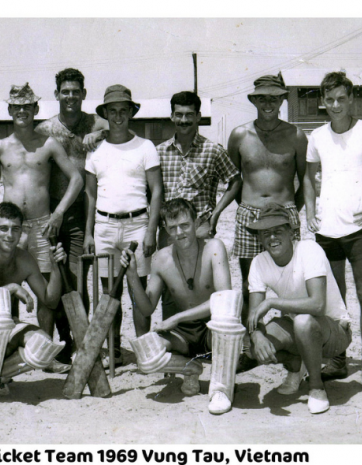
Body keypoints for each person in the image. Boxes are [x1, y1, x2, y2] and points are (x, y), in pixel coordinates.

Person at [0, 83, 83, 373]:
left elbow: (77, 179)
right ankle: (4, 350)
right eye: (16, 107)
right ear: (9, 110)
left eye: (27, 107)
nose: (22, 112)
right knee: (2, 287)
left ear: (36, 109)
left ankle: (44, 352)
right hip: (10, 228)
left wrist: (58, 213)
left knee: (46, 292)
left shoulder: (47, 143)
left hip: (41, 226)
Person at [303, 71, 362, 391]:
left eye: (342, 98)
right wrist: (309, 210)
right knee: (334, 298)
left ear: (351, 98)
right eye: (329, 99)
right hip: (326, 230)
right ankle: (339, 361)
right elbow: (307, 174)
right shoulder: (316, 137)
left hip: (358, 229)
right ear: (322, 102)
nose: (336, 105)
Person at [227, 72, 307, 371]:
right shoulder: (239, 135)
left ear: (283, 100)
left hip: (285, 213)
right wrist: (249, 209)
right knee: (252, 285)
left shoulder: (296, 136)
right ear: (254, 100)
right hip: (249, 214)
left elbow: (305, 180)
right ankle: (253, 344)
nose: (269, 103)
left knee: (293, 284)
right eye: (262, 98)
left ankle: (297, 348)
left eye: (275, 97)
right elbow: (234, 180)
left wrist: (291, 210)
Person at [244, 203, 352, 414]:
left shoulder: (309, 249)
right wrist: (257, 335)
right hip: (300, 328)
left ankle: (316, 387)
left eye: (278, 231)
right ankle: (296, 365)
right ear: (259, 238)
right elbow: (254, 315)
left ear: (291, 231)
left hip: (334, 331)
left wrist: (272, 302)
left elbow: (317, 305)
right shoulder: (258, 262)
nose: (272, 237)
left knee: (303, 321)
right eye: (266, 232)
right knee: (251, 346)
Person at [0, 202, 69, 403]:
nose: (9, 235)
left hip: (5, 330)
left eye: (15, 229)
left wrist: (54, 267)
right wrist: (10, 288)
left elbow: (50, 300)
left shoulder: (23, 259)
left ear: (21, 232)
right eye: (3, 228)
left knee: (42, 346)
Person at [120, 198, 232, 396]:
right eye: (173, 228)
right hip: (183, 334)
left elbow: (224, 299)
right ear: (165, 229)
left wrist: (177, 317)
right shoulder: (161, 259)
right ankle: (191, 369)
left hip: (213, 327)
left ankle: (221, 387)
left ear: (196, 223)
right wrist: (132, 276)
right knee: (146, 355)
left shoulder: (214, 248)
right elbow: (146, 309)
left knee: (231, 335)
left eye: (185, 225)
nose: (179, 233)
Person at [35, 68, 109, 366]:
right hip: (49, 211)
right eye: (64, 91)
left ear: (83, 94)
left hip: (83, 211)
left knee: (78, 281)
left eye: (75, 91)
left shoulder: (95, 121)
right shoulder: (44, 130)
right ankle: (60, 344)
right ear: (56, 95)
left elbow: (114, 126)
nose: (70, 97)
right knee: (53, 281)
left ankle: (82, 343)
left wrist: (100, 133)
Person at [84, 83, 163, 365]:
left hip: (136, 226)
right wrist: (89, 234)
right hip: (104, 227)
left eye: (123, 110)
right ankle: (113, 350)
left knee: (138, 289)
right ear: (105, 114)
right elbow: (91, 195)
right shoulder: (95, 149)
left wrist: (151, 230)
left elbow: (157, 192)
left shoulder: (145, 146)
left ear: (131, 112)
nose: (118, 116)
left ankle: (143, 350)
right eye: (112, 111)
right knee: (109, 294)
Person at [157, 91, 241, 246]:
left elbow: (235, 181)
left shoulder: (212, 150)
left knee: (201, 270)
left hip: (199, 227)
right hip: (169, 229)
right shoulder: (159, 152)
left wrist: (215, 214)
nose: (183, 120)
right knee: (168, 269)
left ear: (198, 117)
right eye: (179, 115)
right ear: (172, 116)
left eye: (189, 115)